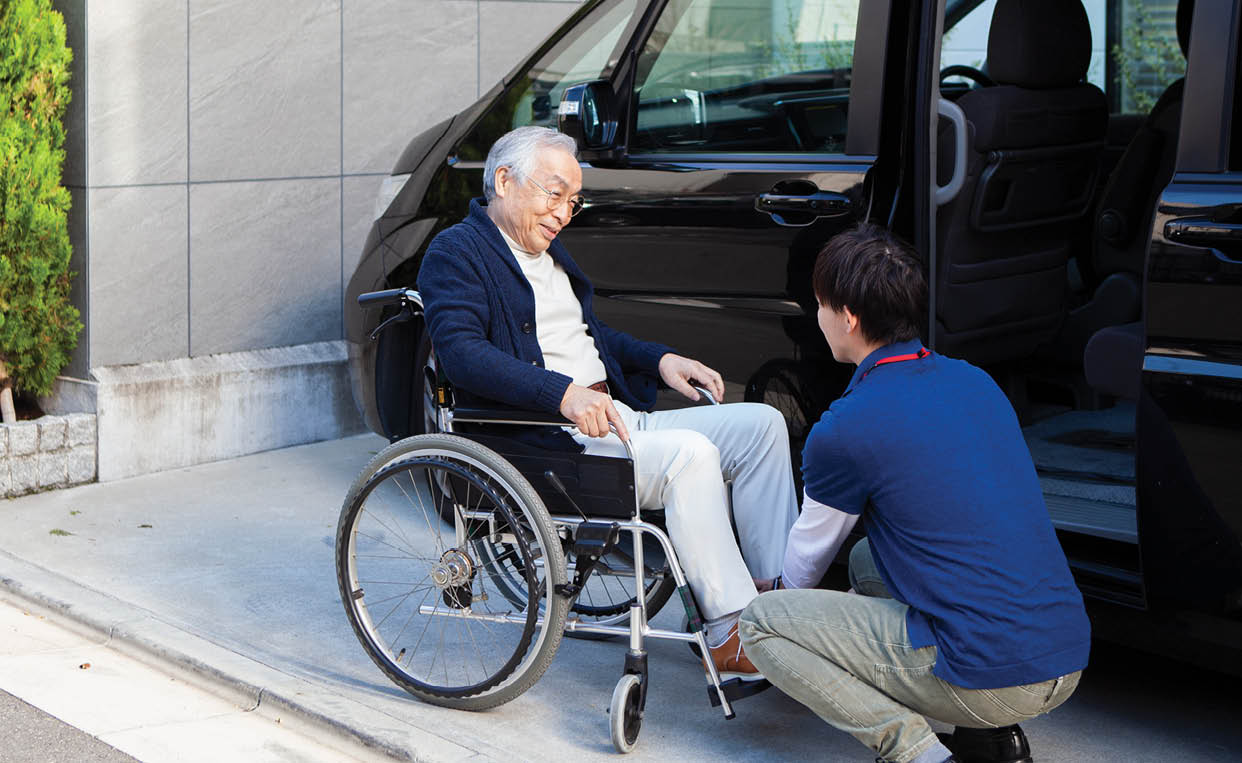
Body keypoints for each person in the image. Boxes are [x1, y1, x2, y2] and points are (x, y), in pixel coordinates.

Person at [418, 125, 798, 679]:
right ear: (504, 180)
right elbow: (462, 355)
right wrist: (562, 394)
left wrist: (661, 359)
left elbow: (592, 335)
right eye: (554, 194)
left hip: (615, 422)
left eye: (573, 201)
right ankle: (730, 630)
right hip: (548, 445)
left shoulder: (550, 255)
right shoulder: (458, 251)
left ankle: (772, 603)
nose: (564, 213)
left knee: (763, 424)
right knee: (691, 454)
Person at [739, 224, 1090, 763]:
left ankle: (919, 753)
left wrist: (776, 593)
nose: (818, 317)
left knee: (763, 626)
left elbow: (805, 564)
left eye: (819, 304)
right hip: (1064, 655)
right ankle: (992, 737)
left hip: (990, 676)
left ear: (848, 317)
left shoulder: (847, 428)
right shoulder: (975, 381)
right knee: (865, 559)